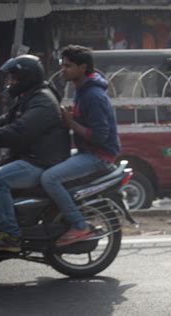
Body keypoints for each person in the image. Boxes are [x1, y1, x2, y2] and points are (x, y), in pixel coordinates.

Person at [0, 54, 70, 252]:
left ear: (27, 77)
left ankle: (11, 236)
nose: (10, 82)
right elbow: (5, 120)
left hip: (41, 161)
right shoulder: (30, 96)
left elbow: (18, 131)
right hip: (29, 155)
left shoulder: (42, 101)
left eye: (14, 77)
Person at [40, 45, 120, 247]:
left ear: (82, 67)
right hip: (88, 151)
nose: (63, 69)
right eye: (62, 64)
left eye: (68, 65)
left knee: (49, 178)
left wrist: (70, 122)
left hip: (98, 155)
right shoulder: (82, 90)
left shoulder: (93, 95)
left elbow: (100, 136)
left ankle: (79, 225)